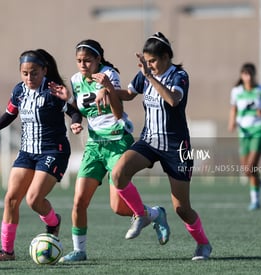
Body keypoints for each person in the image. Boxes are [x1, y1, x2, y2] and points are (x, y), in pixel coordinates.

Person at [49, 39, 170, 262]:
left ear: (98, 59)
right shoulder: (76, 80)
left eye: (87, 60)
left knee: (118, 207)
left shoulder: (108, 74)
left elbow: (117, 112)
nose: (82, 64)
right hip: (94, 145)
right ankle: (80, 250)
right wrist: (72, 112)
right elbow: (81, 111)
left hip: (117, 142)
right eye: (78, 61)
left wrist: (108, 88)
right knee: (79, 202)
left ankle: (153, 214)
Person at [111, 32, 212, 260]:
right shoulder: (144, 75)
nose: (149, 66)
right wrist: (106, 88)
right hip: (148, 142)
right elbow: (127, 94)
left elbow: (173, 100)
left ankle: (203, 244)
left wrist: (150, 77)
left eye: (153, 61)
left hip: (176, 148)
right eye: (146, 62)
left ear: (166, 57)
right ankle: (143, 215)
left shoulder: (179, 75)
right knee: (118, 174)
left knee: (182, 209)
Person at [0, 49, 82, 262]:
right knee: (11, 199)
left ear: (44, 71)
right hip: (27, 152)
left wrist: (76, 123)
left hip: (53, 151)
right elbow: (9, 114)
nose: (29, 78)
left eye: (34, 73)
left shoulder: (53, 91)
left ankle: (53, 223)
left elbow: (73, 111)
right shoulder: (19, 91)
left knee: (34, 200)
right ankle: (7, 252)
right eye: (25, 73)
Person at [228, 62, 261, 211]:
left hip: (259, 130)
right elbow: (233, 109)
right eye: (244, 74)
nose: (247, 77)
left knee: (250, 167)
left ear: (254, 75)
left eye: (249, 74)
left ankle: (255, 200)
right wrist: (231, 123)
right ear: (241, 76)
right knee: (247, 169)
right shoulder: (236, 91)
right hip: (244, 132)